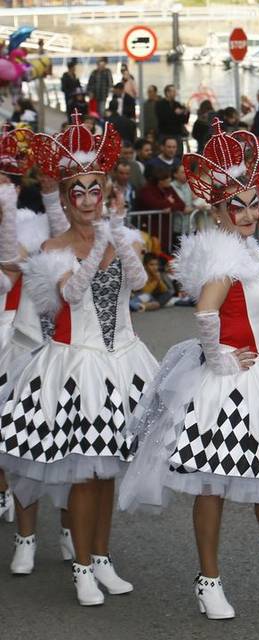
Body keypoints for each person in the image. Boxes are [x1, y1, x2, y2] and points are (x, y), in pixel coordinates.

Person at [118, 119, 259, 619]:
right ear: (217, 210)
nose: (251, 212)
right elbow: (206, 312)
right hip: (228, 381)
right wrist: (220, 358)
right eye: (239, 205)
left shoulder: (249, 250)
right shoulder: (222, 255)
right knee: (212, 480)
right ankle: (208, 580)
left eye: (255, 202)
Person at [0, 114, 157, 605]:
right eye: (78, 193)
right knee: (85, 477)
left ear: (106, 192)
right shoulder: (51, 248)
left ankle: (103, 559)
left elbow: (138, 286)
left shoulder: (119, 238)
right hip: (77, 367)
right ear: (65, 201)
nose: (88, 201)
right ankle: (82, 568)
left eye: (95, 190)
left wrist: (119, 242)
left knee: (108, 472)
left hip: (123, 362)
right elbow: (69, 295)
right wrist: (98, 247)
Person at [0, 128, 76, 574]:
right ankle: (26, 538)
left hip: (62, 349)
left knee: (70, 447)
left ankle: (71, 531)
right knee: (26, 449)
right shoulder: (19, 233)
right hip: (20, 349)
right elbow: (12, 262)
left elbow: (66, 238)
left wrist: (50, 193)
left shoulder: (58, 232)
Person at [156, 84, 189, 153]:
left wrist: (186, 112)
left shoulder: (177, 104)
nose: (175, 94)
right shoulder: (160, 104)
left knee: (178, 154)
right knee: (164, 153)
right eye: (173, 91)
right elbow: (162, 118)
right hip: (165, 134)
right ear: (167, 93)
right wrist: (175, 113)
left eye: (175, 91)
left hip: (177, 134)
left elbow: (184, 121)